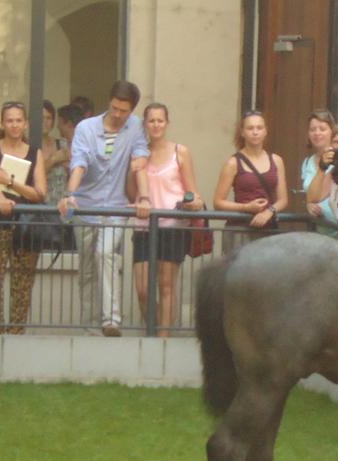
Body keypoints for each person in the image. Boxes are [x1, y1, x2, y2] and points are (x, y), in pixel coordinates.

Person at [58, 80, 151, 336]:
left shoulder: (136, 127)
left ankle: (111, 320)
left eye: (124, 111)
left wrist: (144, 197)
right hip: (85, 206)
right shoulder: (86, 128)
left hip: (116, 207)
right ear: (108, 102)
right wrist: (70, 194)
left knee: (105, 253)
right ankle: (89, 327)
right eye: (114, 108)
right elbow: (79, 162)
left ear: (132, 110)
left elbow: (140, 161)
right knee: (87, 270)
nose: (118, 114)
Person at [131, 103, 204, 337]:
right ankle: (153, 332)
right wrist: (132, 171)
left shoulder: (180, 152)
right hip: (144, 226)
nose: (156, 125)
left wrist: (193, 202)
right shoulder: (138, 153)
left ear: (167, 123)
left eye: (160, 120)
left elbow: (193, 192)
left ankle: (163, 340)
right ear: (145, 124)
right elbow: (130, 192)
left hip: (173, 225)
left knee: (166, 285)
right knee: (143, 289)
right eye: (151, 121)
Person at [0, 100, 48, 334]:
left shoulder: (35, 153)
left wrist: (10, 182)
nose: (15, 125)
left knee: (22, 284)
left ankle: (16, 333)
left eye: (19, 120)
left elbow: (40, 192)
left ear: (26, 123)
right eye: (10, 120)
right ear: (2, 123)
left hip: (25, 226)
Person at [213, 110, 289, 255]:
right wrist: (246, 207)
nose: (255, 132)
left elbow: (283, 200)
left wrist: (269, 212)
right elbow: (218, 202)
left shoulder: (277, 160)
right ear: (242, 132)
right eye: (250, 128)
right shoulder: (233, 163)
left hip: (268, 229)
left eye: (259, 128)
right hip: (240, 228)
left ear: (265, 131)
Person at [300, 109, 336, 226]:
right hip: (317, 228)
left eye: (322, 129)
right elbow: (308, 196)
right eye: (312, 130)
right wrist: (308, 204)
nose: (317, 133)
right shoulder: (307, 162)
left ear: (332, 131)